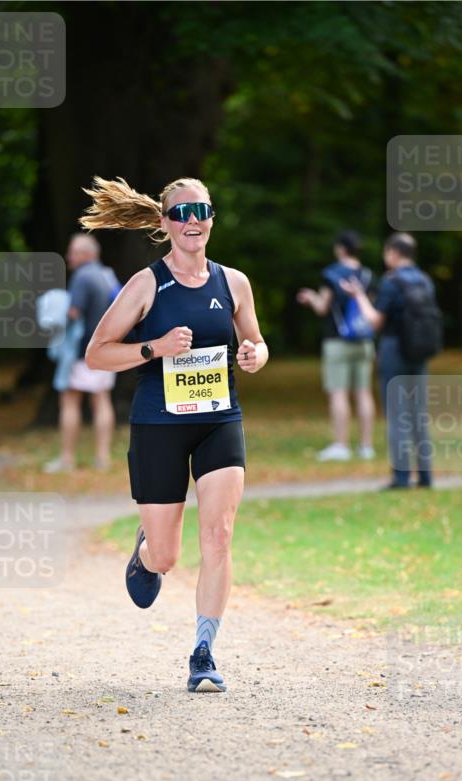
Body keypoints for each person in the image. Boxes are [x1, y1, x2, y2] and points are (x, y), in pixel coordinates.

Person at [82, 175, 269, 693]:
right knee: (167, 556)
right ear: (164, 224)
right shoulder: (146, 284)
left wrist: (255, 355)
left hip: (218, 421)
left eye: (201, 211)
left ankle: (204, 652)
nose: (193, 221)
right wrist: (154, 348)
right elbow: (96, 354)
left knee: (219, 536)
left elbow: (255, 340)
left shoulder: (233, 283)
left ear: (211, 218)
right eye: (181, 213)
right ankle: (147, 551)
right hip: (159, 425)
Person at [341, 232, 435, 489]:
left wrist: (358, 296)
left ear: (393, 253)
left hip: (394, 350)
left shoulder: (392, 281)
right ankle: (426, 476)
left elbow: (375, 321)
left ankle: (401, 477)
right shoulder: (425, 281)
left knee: (397, 414)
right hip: (419, 352)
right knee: (418, 414)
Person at [297, 230, 376, 461]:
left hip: (337, 342)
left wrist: (310, 297)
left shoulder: (332, 274)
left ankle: (341, 445)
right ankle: (366, 446)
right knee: (363, 392)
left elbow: (323, 307)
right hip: (364, 341)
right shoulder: (368, 275)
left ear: (341, 248)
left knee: (339, 393)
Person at [44, 234, 118, 473]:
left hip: (82, 352)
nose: (69, 258)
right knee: (102, 400)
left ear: (87, 254)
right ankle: (103, 458)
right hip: (106, 349)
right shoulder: (107, 276)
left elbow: (74, 313)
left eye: (73, 252)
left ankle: (66, 459)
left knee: (69, 401)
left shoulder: (82, 277)